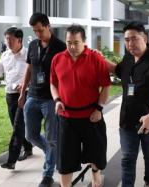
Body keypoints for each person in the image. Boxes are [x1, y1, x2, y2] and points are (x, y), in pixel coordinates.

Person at [106, 22, 149, 187]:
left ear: (145, 38)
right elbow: (117, 70)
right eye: (127, 39)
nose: (130, 43)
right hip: (127, 119)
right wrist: (95, 57)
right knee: (127, 158)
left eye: (134, 39)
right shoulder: (128, 57)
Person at [50, 24, 111, 187]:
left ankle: (96, 175)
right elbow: (53, 84)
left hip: (91, 116)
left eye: (76, 42)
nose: (72, 46)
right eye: (69, 42)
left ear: (84, 41)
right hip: (66, 117)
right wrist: (57, 100)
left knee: (97, 154)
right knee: (65, 158)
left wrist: (99, 109)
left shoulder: (95, 58)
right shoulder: (58, 59)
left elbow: (106, 86)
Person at [18, 13, 66, 187]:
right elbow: (29, 69)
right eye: (34, 31)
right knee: (30, 135)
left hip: (51, 99)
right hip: (32, 96)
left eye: (40, 30)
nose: (37, 34)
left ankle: (47, 174)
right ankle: (51, 152)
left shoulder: (61, 47)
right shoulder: (32, 45)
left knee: (52, 138)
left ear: (48, 26)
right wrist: (23, 92)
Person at [0, 27, 33, 170]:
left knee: (18, 125)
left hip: (24, 94)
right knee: (16, 125)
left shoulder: (28, 54)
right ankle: (28, 147)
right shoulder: (5, 55)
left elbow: (35, 72)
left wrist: (26, 83)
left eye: (11, 39)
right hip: (9, 95)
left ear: (19, 40)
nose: (8, 42)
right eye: (6, 39)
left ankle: (11, 160)